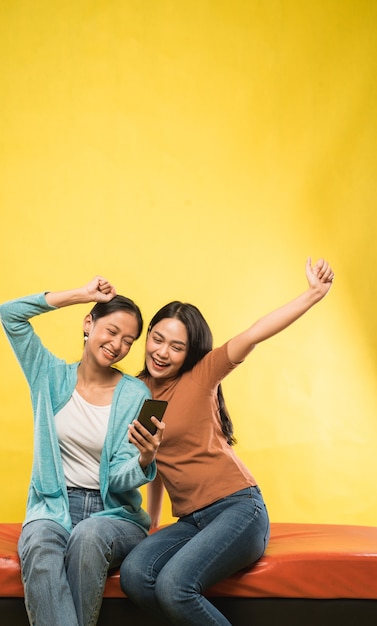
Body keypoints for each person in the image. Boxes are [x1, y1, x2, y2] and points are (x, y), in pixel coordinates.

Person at [120, 257, 334, 626]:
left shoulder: (203, 375)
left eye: (176, 346)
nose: (162, 352)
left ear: (189, 353)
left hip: (239, 510)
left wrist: (312, 295)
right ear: (148, 333)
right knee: (135, 575)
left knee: (174, 586)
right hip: (192, 520)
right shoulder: (135, 390)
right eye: (157, 339)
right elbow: (153, 462)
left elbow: (255, 333)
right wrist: (153, 521)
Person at [0, 276, 164, 626]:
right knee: (39, 543)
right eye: (112, 331)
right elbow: (9, 314)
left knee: (89, 537)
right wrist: (81, 295)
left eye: (128, 341)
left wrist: (145, 460)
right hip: (53, 505)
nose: (117, 345)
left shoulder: (134, 394)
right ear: (89, 323)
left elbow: (119, 477)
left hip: (113, 514)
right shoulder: (49, 375)